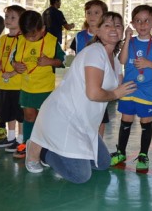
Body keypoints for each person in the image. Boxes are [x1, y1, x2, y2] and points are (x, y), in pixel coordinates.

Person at [25, 12, 137, 183]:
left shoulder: (113, 60)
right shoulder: (94, 52)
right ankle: (41, 150)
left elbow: (121, 74)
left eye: (118, 25)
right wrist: (115, 94)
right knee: (80, 176)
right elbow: (93, 94)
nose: (113, 29)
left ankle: (59, 149)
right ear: (97, 31)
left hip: (84, 121)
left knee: (103, 163)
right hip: (64, 117)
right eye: (107, 25)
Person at [110, 5, 152, 172]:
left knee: (145, 122)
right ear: (133, 24)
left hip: (147, 90)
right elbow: (122, 61)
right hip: (128, 88)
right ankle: (121, 152)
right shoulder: (131, 42)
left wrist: (149, 64)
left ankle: (143, 155)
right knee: (126, 121)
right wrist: (127, 38)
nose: (142, 24)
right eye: (138, 21)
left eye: (146, 21)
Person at [12, 10, 65, 159]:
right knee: (29, 116)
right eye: (26, 35)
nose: (29, 38)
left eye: (33, 35)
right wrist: (15, 65)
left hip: (45, 88)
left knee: (44, 118)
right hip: (27, 87)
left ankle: (46, 145)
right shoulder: (20, 40)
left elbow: (63, 60)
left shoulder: (52, 41)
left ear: (42, 29)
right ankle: (27, 143)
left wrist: (50, 61)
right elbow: (12, 58)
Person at [70, 0, 110, 137]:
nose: (92, 16)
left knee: (99, 117)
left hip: (100, 84)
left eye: (96, 13)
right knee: (80, 116)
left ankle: (98, 146)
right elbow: (76, 58)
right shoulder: (79, 36)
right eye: (89, 12)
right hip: (80, 84)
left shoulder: (108, 36)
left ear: (104, 15)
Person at [0, 5, 26, 153]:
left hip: (18, 84)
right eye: (7, 17)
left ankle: (21, 139)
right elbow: (0, 57)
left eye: (13, 17)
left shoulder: (24, 39)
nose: (8, 20)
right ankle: (11, 137)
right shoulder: (2, 39)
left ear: (22, 21)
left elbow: (23, 63)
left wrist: (12, 73)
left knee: (19, 113)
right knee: (7, 112)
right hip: (4, 83)